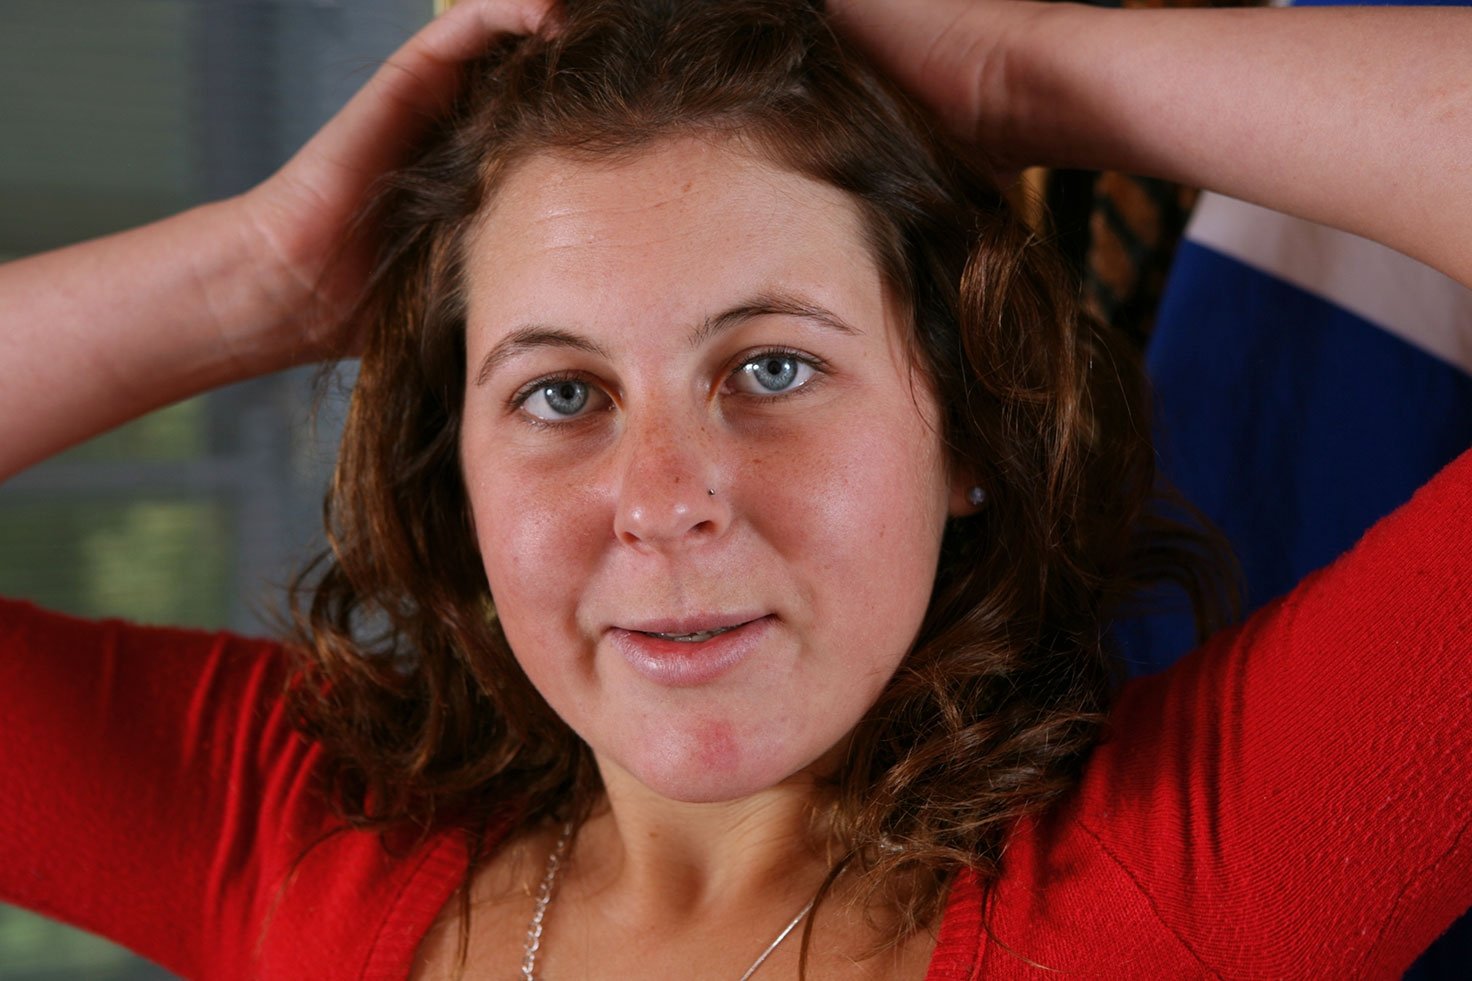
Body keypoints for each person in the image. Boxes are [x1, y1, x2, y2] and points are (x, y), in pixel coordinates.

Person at [1, 0, 1468, 978]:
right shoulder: (300, 837)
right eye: (559, 392)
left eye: (771, 367)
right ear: (456, 474)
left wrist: (1014, 74)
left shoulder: (1189, 875)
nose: (664, 501)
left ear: (966, 422)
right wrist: (259, 276)